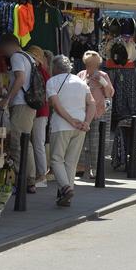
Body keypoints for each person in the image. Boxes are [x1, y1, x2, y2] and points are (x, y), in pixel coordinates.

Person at [46, 55, 96, 206]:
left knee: (56, 159)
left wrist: (69, 120)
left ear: (54, 68)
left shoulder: (52, 81)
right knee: (71, 161)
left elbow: (56, 105)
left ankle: (66, 188)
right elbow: (91, 103)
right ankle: (66, 195)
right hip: (80, 126)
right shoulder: (81, 82)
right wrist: (86, 122)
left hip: (61, 125)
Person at [0, 34, 37, 194]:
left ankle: (24, 180)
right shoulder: (29, 57)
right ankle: (29, 179)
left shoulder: (16, 57)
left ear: (8, 45)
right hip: (28, 104)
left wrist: (7, 99)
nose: (3, 52)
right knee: (25, 142)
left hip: (21, 103)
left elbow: (20, 79)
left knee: (17, 142)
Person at [77, 50, 115, 179]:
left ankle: (94, 168)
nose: (91, 67)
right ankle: (80, 167)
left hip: (99, 112)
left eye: (93, 64)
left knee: (94, 141)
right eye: (88, 64)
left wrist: (103, 83)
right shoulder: (81, 74)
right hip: (83, 111)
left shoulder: (103, 75)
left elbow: (110, 93)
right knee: (80, 141)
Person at [26, 45, 51, 186]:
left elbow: (47, 85)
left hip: (40, 111)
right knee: (35, 143)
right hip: (38, 110)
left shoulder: (41, 71)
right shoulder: (39, 70)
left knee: (38, 143)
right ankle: (38, 174)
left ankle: (41, 175)